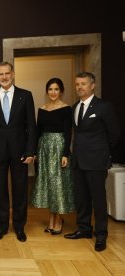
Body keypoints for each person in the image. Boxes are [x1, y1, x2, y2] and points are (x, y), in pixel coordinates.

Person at [64, 72, 120, 252]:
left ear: (92, 85)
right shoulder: (74, 107)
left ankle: (101, 235)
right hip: (78, 161)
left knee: (98, 199)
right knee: (82, 198)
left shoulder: (104, 107)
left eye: (83, 84)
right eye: (77, 84)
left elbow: (115, 134)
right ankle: (84, 229)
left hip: (96, 162)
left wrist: (104, 153)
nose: (79, 87)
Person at [0, 61, 36, 242]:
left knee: (20, 189)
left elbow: (31, 125)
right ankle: (2, 226)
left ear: (12, 74)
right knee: (0, 190)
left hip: (20, 151)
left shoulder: (25, 96)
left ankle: (19, 227)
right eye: (0, 74)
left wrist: (30, 150)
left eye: (7, 73)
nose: (4, 77)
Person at [30, 78, 75, 235]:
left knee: (58, 184)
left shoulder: (66, 109)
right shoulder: (42, 109)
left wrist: (65, 154)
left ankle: (58, 220)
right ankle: (52, 218)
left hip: (59, 148)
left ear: (61, 91)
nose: (53, 92)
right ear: (47, 91)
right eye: (50, 89)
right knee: (49, 184)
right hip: (44, 149)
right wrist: (35, 152)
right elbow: (37, 132)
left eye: (56, 89)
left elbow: (68, 132)